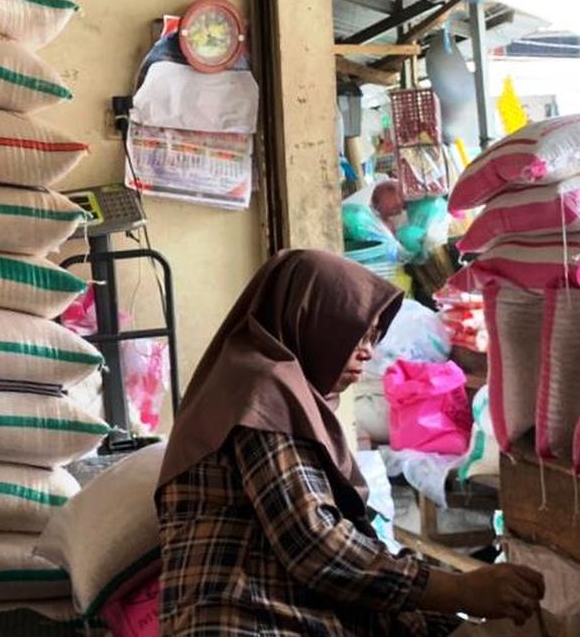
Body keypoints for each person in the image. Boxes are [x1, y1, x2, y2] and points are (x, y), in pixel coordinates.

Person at [156, 250, 544, 636]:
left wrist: (444, 614)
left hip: (279, 607)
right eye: (357, 332)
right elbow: (312, 543)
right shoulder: (261, 391)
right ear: (314, 318)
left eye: (374, 337)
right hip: (246, 620)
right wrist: (458, 590)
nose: (368, 351)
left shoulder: (277, 392)